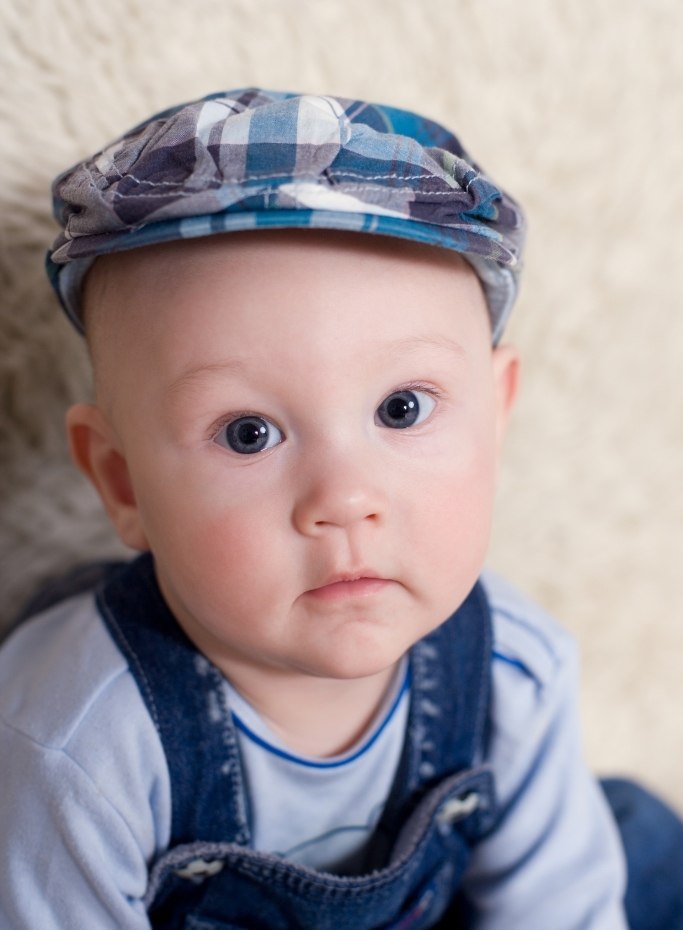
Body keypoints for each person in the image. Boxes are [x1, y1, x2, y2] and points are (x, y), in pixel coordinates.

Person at [0, 88, 681, 930]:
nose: (344, 500)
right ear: (123, 483)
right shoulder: (75, 745)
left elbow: (562, 909)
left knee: (637, 835)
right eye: (248, 434)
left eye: (401, 409)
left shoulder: (513, 669)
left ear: (495, 417)